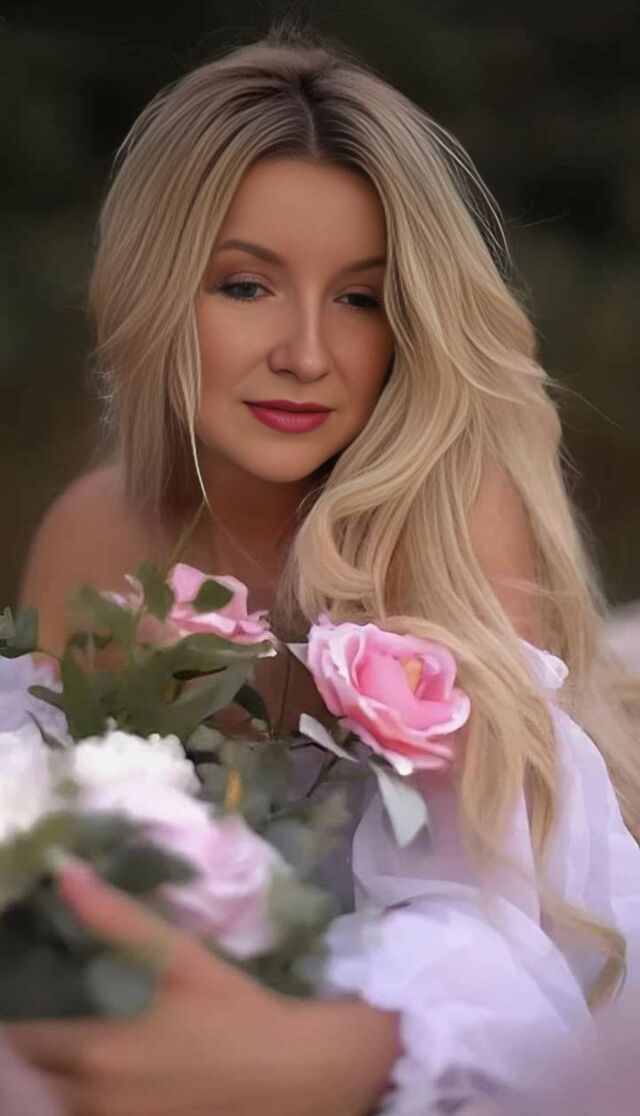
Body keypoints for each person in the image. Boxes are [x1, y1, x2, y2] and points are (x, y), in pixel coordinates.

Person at [5, 22, 640, 1116]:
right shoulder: (94, 534)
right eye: (245, 286)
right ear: (158, 289)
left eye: (359, 298)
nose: (306, 353)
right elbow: (43, 858)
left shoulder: (439, 519)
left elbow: (490, 926)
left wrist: (286, 1057)